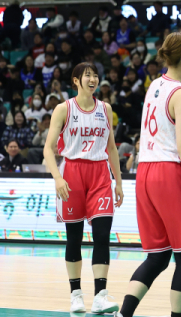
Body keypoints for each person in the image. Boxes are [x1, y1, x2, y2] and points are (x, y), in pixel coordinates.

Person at [113, 33, 181, 317]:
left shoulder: (155, 85)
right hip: (169, 173)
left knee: (158, 256)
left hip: (145, 171)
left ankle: (123, 314)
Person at [43, 62, 124, 314]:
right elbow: (49, 149)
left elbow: (111, 148)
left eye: (95, 76)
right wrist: (57, 177)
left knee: (102, 235)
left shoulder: (105, 108)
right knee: (74, 238)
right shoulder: (63, 109)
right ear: (76, 80)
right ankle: (76, 294)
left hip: (100, 173)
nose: (93, 79)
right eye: (87, 75)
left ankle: (100, 295)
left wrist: (118, 181)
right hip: (72, 173)